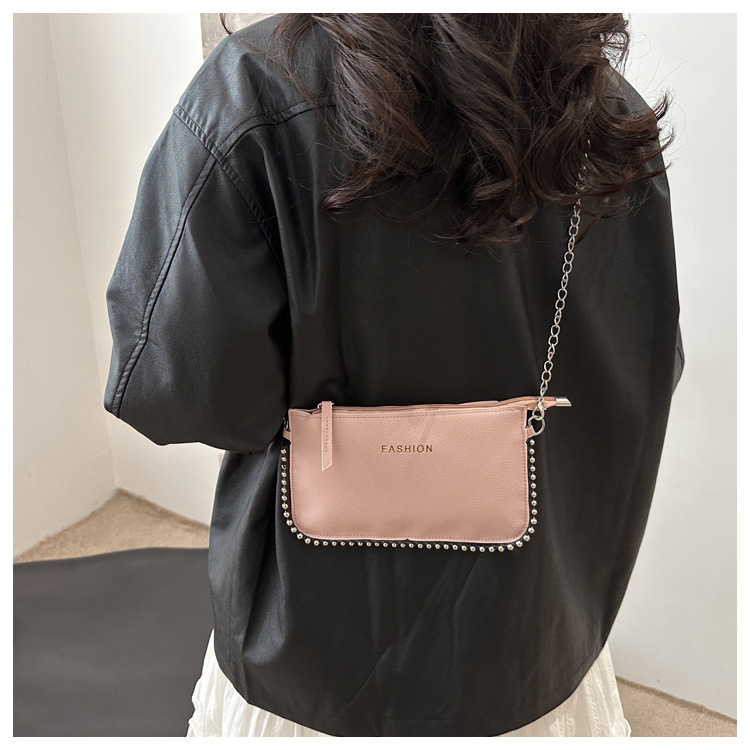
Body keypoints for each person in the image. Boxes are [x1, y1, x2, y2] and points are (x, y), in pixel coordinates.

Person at [103, 13, 684, 737]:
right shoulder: (603, 109)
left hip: (308, 657)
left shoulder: (254, 89)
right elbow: (642, 364)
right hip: (534, 643)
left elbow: (177, 391)